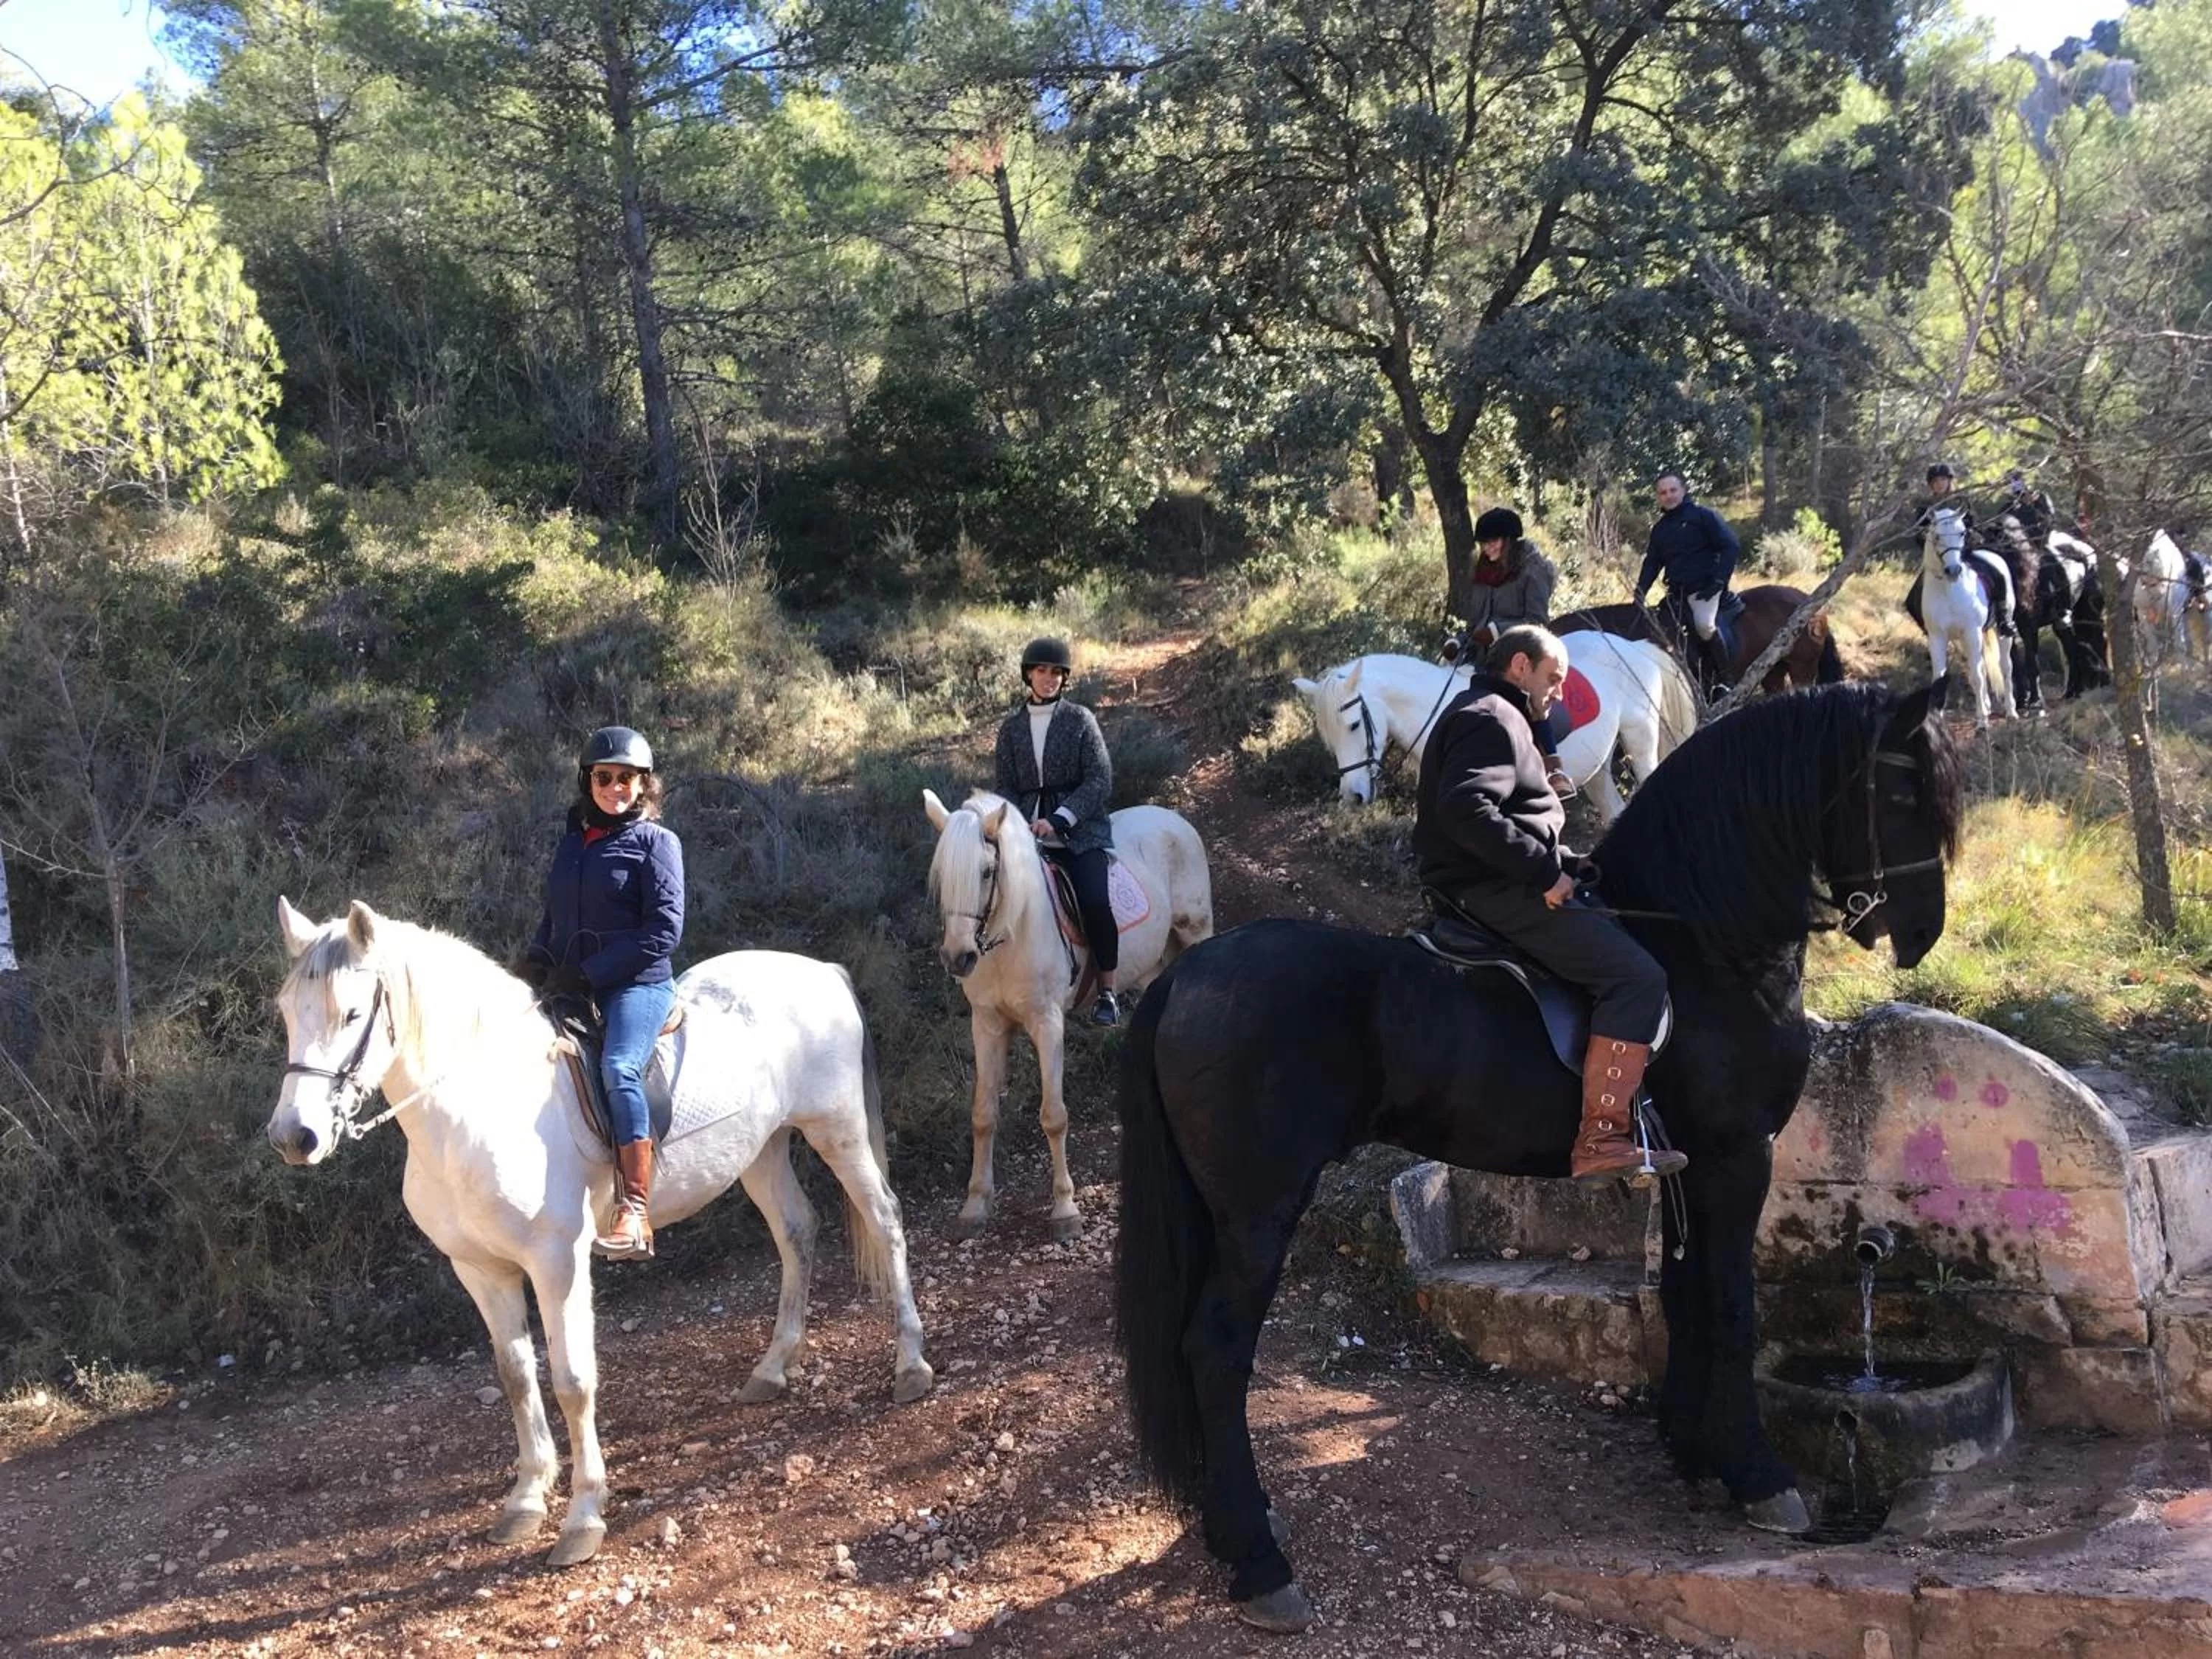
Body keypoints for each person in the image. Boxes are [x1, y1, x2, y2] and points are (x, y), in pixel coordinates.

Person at [1413, 625, 1684, 1186]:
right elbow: (1466, 810)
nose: (1559, 692)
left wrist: (1566, 861)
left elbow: (1513, 817)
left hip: (1498, 877)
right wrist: (1541, 872)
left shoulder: (1498, 715)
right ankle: (1601, 1138)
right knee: (1636, 978)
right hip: (1490, 888)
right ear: (1519, 666)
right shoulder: (1490, 716)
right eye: (1554, 678)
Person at [529, 726, 686, 1259]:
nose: (615, 786)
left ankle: (635, 1210)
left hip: (637, 985)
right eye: (604, 777)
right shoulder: (572, 844)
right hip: (574, 980)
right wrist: (534, 962)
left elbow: (664, 931)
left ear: (644, 784)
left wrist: (590, 974)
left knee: (619, 1067)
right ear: (587, 780)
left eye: (627, 778)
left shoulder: (658, 844)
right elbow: (553, 918)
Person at [994, 638, 1121, 1026]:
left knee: (1096, 901)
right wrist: (1017, 823)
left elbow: (1099, 779)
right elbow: (1005, 786)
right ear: (1029, 674)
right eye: (1041, 670)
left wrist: (1062, 818)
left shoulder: (1080, 719)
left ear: (1064, 678)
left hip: (1079, 833)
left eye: (1056, 672)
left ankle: (1108, 993)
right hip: (1027, 835)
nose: (1049, 678)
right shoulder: (1011, 729)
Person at [1457, 506, 1573, 795]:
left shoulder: (1533, 570)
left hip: (1526, 654)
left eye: (1494, 541)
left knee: (1535, 703)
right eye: (1484, 543)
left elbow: (1538, 621)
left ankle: (1554, 769)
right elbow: (1477, 622)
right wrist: (1461, 640)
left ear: (1510, 541)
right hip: (1488, 657)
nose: (1488, 548)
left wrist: (1495, 631)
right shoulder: (1483, 573)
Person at [1633, 472, 1740, 698]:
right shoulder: (1660, 530)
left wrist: (1720, 581)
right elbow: (1652, 562)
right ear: (1658, 497)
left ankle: (1727, 680)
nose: (1668, 496)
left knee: (1704, 626)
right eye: (1663, 493)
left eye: (1673, 490)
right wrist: (1640, 592)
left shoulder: (1704, 516)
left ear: (1683, 490)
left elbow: (1730, 546)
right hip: (1677, 593)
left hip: (1705, 590)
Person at [2000, 467, 2057, 546]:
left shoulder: (2040, 497)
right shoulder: (2010, 506)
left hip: (2045, 536)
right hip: (2025, 541)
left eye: (2016, 480)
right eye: (2011, 482)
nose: (2014, 484)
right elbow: (2003, 521)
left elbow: (2050, 516)